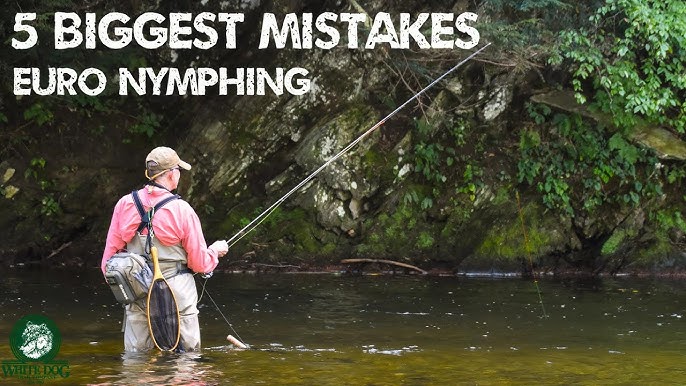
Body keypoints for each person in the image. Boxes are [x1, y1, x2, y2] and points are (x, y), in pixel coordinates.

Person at [102, 146, 228, 352]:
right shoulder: (182, 210)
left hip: (138, 289)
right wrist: (215, 251)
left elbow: (108, 262)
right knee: (186, 361)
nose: (179, 174)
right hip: (177, 289)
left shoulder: (124, 204)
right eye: (179, 170)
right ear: (171, 174)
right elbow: (200, 264)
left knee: (136, 361)